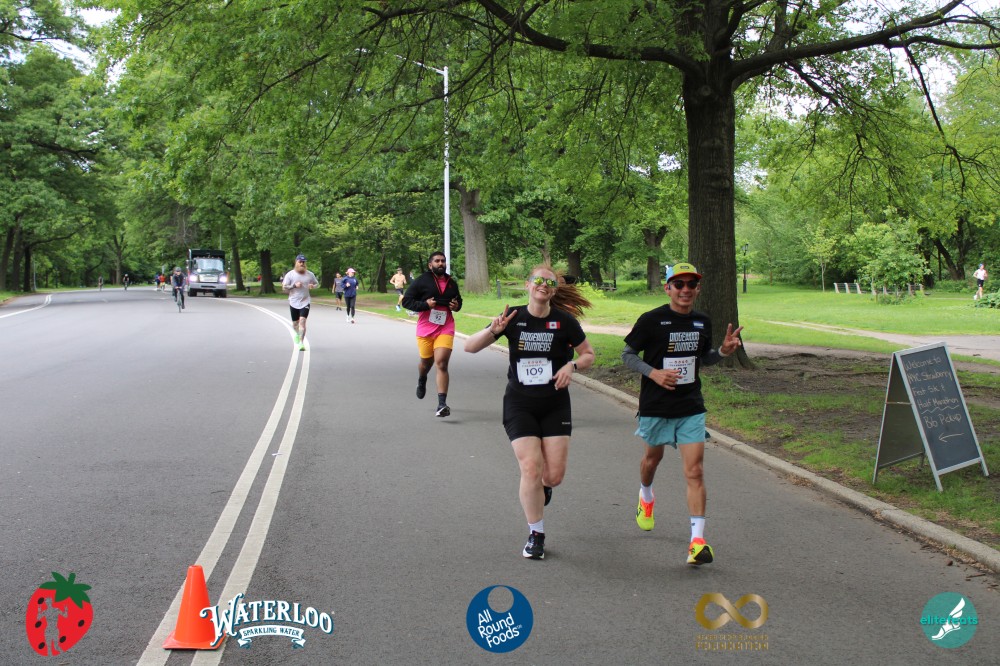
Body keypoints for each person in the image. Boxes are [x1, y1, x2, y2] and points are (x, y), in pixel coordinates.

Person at [464, 266, 595, 560]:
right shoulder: (513, 317)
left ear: (554, 289)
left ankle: (543, 488)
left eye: (549, 282)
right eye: (538, 280)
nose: (543, 285)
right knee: (531, 469)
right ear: (528, 285)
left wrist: (571, 366)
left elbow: (588, 354)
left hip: (555, 404)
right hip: (519, 403)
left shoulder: (565, 321)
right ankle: (536, 534)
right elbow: (470, 347)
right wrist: (494, 330)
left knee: (553, 476)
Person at [621, 262, 743, 566]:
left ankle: (697, 542)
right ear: (668, 288)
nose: (685, 290)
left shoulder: (702, 321)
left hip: (690, 405)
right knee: (652, 460)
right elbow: (627, 355)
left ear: (698, 289)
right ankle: (646, 496)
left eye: (691, 284)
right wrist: (654, 373)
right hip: (656, 405)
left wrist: (723, 352)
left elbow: (704, 358)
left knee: (695, 471)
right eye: (679, 284)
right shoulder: (651, 320)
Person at [402, 252, 463, 417]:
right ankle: (422, 379)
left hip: (445, 326)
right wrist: (425, 305)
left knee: (441, 363)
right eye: (437, 261)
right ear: (430, 265)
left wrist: (456, 306)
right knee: (426, 363)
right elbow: (406, 301)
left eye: (443, 261)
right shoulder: (421, 281)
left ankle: (442, 404)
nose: (440, 263)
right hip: (426, 328)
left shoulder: (451, 283)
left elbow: (459, 301)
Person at [281, 254, 319, 351]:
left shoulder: (310, 274)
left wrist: (312, 286)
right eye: (300, 262)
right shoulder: (290, 274)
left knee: (302, 321)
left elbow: (317, 284)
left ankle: (301, 343)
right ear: (296, 262)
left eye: (303, 262)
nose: (302, 264)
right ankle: (297, 335)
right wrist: (294, 286)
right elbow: (284, 287)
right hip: (293, 301)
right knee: (295, 324)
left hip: (305, 301)